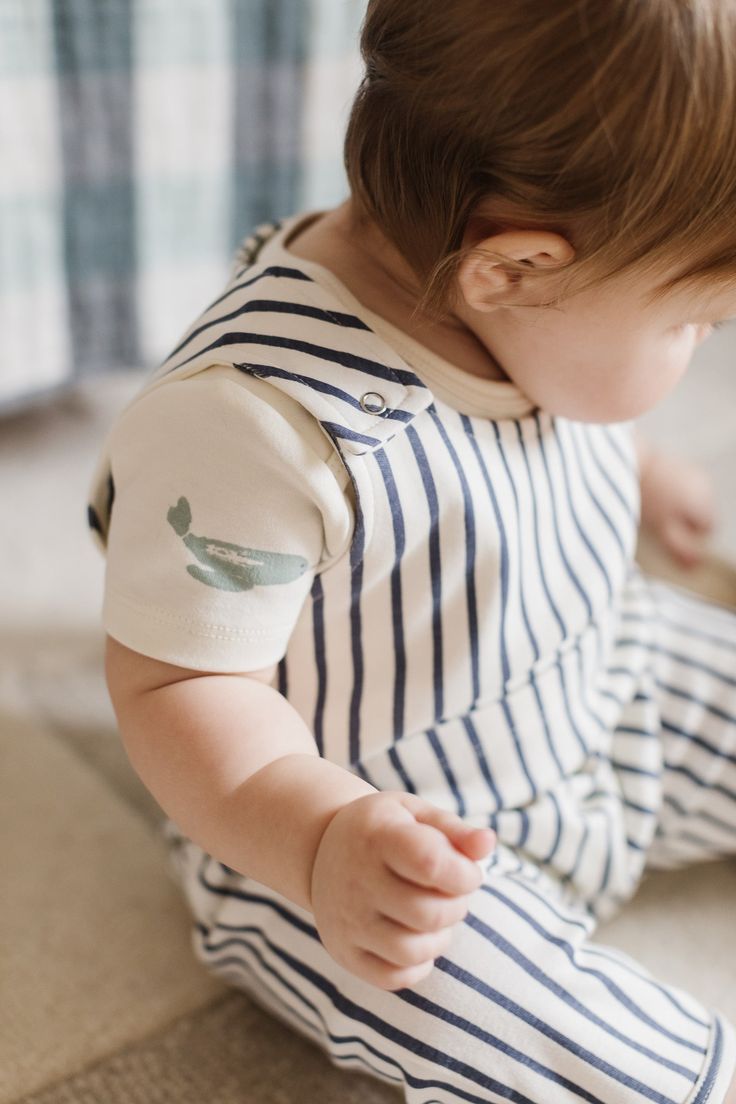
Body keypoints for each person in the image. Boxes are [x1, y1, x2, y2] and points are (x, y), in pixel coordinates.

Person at [88, 1, 736, 1100]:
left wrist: (641, 472)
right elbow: (175, 679)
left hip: (601, 683)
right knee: (538, 1027)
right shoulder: (258, 429)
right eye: (695, 325)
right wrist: (317, 838)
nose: (701, 347)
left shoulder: (507, 297)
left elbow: (561, 392)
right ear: (516, 268)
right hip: (391, 843)